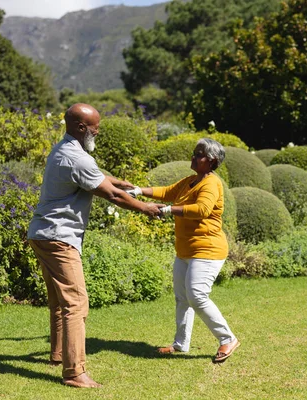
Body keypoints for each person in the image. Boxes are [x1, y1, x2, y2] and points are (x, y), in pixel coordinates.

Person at [27, 103, 164, 388]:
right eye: (95, 128)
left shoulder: (63, 149)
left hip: (42, 234)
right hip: (59, 238)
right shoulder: (78, 159)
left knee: (58, 301)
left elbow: (99, 179)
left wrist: (117, 180)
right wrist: (145, 208)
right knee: (76, 303)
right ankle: (75, 373)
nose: (98, 132)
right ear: (80, 127)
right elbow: (112, 195)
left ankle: (57, 355)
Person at [126, 138, 240, 363]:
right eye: (194, 153)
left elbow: (202, 209)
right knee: (182, 298)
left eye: (199, 155)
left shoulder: (211, 183)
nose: (194, 157)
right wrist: (138, 191)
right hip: (185, 250)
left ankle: (227, 338)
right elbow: (168, 191)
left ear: (212, 161)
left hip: (207, 249)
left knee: (196, 296)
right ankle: (181, 344)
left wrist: (167, 211)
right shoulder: (191, 180)